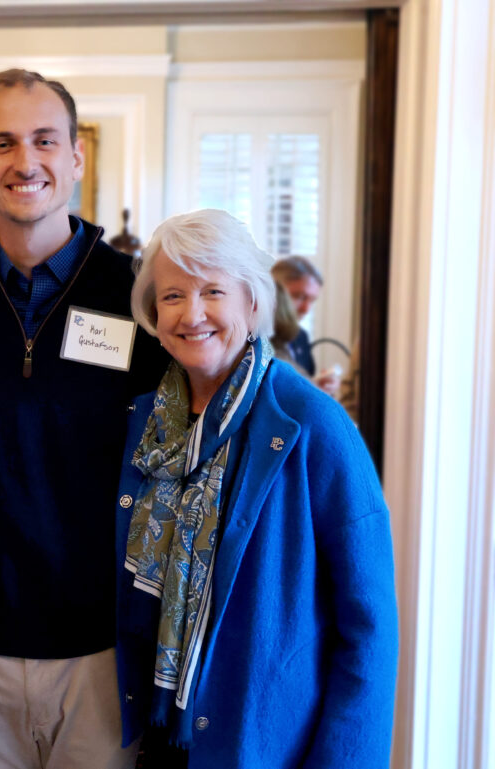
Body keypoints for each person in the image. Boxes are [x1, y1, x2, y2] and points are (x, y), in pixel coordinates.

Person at [0, 69, 167, 769]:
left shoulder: (139, 294)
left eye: (45, 140)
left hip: (104, 641)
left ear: (76, 156)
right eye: (3, 143)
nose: (26, 161)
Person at [116, 209, 398, 768]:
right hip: (156, 735)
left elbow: (370, 630)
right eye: (172, 296)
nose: (191, 314)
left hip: (263, 744)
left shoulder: (312, 423)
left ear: (251, 302)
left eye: (212, 290)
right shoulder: (145, 422)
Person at [269, 255, 340, 395]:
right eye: (299, 297)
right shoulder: (253, 338)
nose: (306, 309)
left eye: (312, 300)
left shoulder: (301, 336)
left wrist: (319, 385)